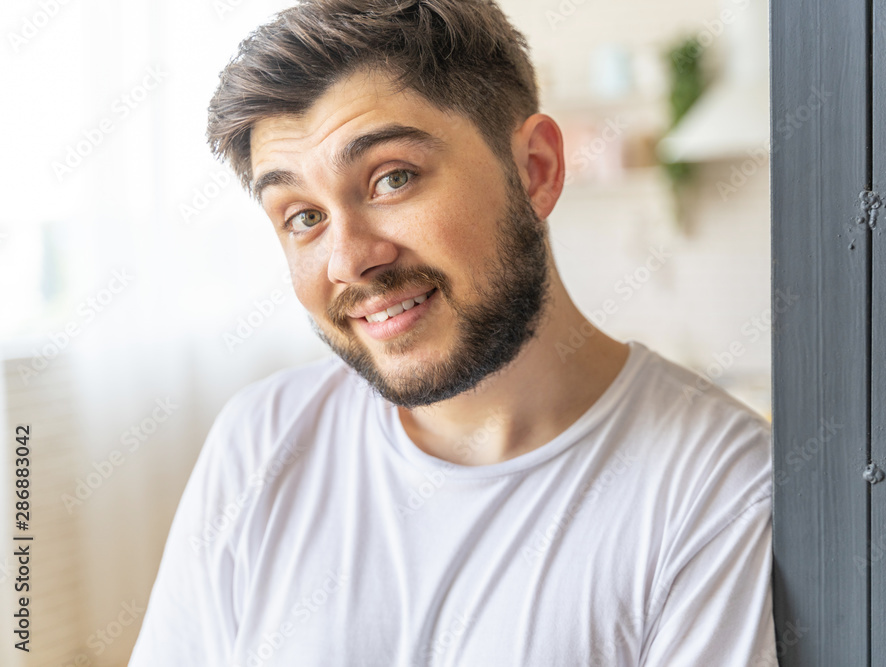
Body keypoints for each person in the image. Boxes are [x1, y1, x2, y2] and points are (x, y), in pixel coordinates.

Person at [129, 1, 777, 665]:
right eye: (302, 216)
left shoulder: (720, 486)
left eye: (393, 178)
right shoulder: (259, 442)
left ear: (536, 170)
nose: (350, 260)